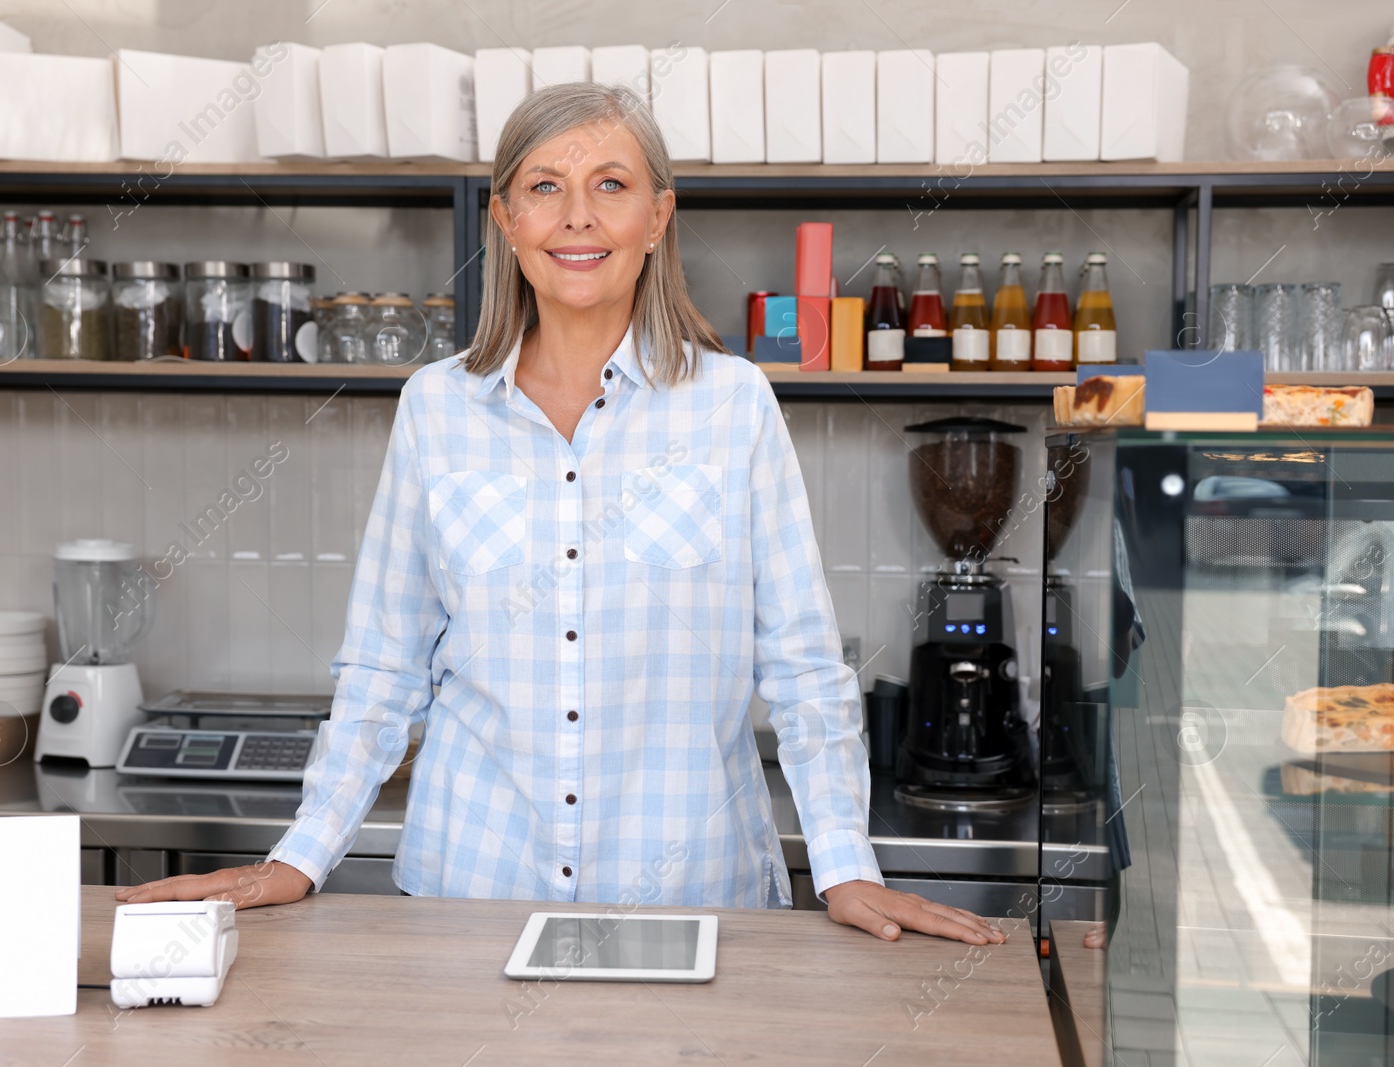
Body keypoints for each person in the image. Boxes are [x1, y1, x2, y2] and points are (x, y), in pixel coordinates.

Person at [120, 81, 1004, 947]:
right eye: (545, 187)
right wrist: (301, 855)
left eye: (610, 186)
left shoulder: (734, 406)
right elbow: (385, 669)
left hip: (695, 899)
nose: (577, 217)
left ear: (657, 217)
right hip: (469, 900)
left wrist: (847, 866)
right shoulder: (437, 408)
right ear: (506, 221)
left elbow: (805, 668)